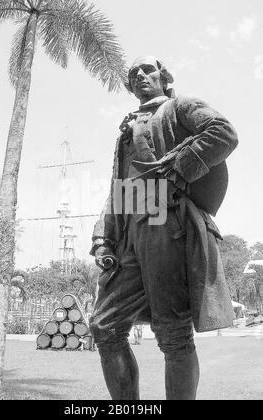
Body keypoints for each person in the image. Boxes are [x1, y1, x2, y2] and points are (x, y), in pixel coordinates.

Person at [89, 55, 238, 400]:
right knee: (104, 326)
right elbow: (118, 188)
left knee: (173, 334)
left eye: (147, 70)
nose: (140, 75)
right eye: (133, 74)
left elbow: (223, 132)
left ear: (163, 77)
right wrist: (103, 238)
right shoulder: (126, 130)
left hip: (166, 224)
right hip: (130, 233)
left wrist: (180, 166)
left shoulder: (178, 107)